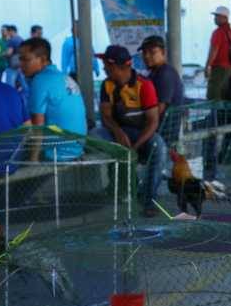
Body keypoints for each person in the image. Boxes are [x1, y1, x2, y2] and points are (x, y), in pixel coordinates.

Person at [92, 45, 165, 217]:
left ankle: (149, 199)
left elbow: (153, 122)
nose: (103, 68)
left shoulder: (144, 85)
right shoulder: (107, 85)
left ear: (116, 67)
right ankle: (117, 186)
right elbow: (106, 117)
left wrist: (135, 147)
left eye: (106, 65)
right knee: (95, 135)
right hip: (118, 133)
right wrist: (117, 132)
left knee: (159, 145)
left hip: (141, 134)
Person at [18, 37, 87, 160]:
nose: (21, 64)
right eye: (20, 59)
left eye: (26, 60)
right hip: (77, 148)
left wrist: (33, 162)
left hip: (56, 152)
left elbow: (37, 126)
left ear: (43, 60)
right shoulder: (63, 76)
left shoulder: (40, 80)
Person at [139, 35, 185, 143]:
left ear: (163, 52)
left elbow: (159, 109)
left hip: (163, 135)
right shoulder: (154, 73)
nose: (147, 56)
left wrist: (142, 128)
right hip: (158, 132)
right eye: (144, 53)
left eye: (152, 52)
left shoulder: (165, 73)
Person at [205, 6, 231, 100]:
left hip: (219, 69)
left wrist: (208, 65)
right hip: (230, 68)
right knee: (224, 94)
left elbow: (214, 50)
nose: (215, 18)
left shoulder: (218, 32)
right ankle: (221, 115)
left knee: (213, 95)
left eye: (217, 16)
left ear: (225, 18)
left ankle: (215, 115)